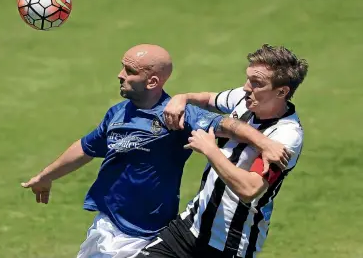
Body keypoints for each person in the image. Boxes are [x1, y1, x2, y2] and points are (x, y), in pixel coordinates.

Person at [21, 44, 291, 258]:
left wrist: (266, 144)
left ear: (151, 81)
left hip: (145, 234)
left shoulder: (177, 117)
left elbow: (227, 126)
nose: (120, 75)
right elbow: (86, 147)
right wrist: (46, 176)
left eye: (129, 70)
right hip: (106, 226)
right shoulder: (117, 114)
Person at [136, 44, 309, 258]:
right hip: (190, 226)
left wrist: (210, 150)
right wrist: (182, 97)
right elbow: (209, 99)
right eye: (248, 79)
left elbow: (249, 189)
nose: (246, 87)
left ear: (282, 91)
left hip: (229, 244)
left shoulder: (286, 136)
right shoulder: (244, 100)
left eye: (257, 83)